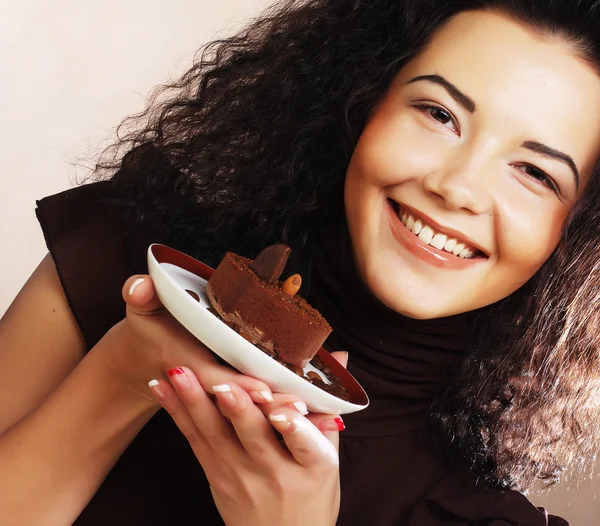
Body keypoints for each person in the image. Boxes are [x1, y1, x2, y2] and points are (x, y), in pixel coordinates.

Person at [2, 0, 600, 524]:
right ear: (362, 98)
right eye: (439, 114)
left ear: (579, 237)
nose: (457, 188)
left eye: (535, 172)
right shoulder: (132, 247)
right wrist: (124, 374)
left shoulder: (485, 517)